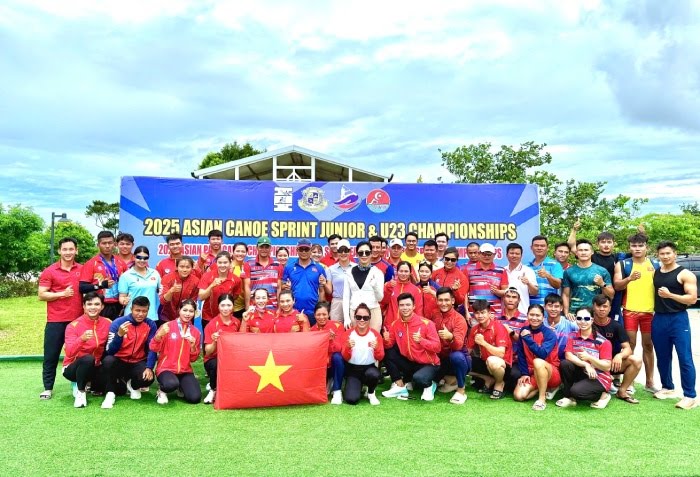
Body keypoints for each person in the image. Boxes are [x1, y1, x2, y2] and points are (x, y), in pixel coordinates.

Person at [652, 241, 698, 409]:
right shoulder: (656, 272)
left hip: (678, 319)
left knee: (684, 357)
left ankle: (690, 396)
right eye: (662, 254)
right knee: (662, 356)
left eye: (668, 253)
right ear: (658, 255)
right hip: (659, 318)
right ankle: (667, 387)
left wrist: (670, 295)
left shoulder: (685, 274)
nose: (665, 256)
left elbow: (692, 298)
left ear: (675, 254)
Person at [613, 232, 660, 392]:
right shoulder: (623, 264)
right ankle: (629, 382)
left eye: (641, 245)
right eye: (634, 245)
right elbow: (617, 285)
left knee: (648, 345)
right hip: (629, 311)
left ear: (647, 247)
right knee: (630, 345)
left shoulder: (656, 264)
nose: (637, 248)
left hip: (650, 312)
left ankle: (650, 382)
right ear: (629, 247)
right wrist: (629, 279)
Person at [38, 237, 83, 400]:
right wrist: (62, 294)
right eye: (65, 249)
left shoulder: (82, 269)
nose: (68, 252)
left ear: (76, 250)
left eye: (71, 249)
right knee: (51, 355)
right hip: (55, 320)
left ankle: (81, 385)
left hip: (77, 320)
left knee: (79, 354)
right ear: (59, 251)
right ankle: (48, 388)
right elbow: (41, 294)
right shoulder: (50, 271)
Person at [382, 293, 441, 401]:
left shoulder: (427, 323)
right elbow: (389, 345)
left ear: (414, 306)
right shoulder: (395, 324)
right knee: (388, 352)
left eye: (408, 305)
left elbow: (437, 347)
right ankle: (399, 386)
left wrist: (422, 341)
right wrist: (386, 340)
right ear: (398, 307)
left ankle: (430, 385)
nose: (405, 308)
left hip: (429, 364)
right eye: (402, 305)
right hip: (410, 363)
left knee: (420, 379)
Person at [101, 296, 157, 409]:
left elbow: (152, 348)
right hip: (119, 361)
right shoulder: (118, 323)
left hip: (137, 361)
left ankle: (132, 384)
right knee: (108, 361)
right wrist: (119, 335)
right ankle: (110, 393)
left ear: (148, 311)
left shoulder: (150, 324)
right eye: (137, 310)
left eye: (144, 311)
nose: (140, 314)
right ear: (131, 309)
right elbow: (109, 351)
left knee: (148, 379)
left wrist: (149, 367)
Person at [556, 307, 613, 409]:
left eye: (586, 319)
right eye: (579, 318)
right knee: (565, 364)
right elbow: (568, 355)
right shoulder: (572, 336)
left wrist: (590, 358)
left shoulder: (603, 341)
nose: (583, 322)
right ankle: (569, 397)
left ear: (592, 320)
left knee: (576, 391)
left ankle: (603, 395)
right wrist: (586, 364)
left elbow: (607, 367)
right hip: (583, 371)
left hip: (599, 377)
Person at [62, 292, 111, 408]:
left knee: (120, 389)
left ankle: (91, 384)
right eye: (89, 304)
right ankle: (80, 391)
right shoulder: (73, 326)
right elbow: (69, 352)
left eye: (97, 304)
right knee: (88, 359)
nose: (93, 307)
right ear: (83, 306)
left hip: (96, 367)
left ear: (102, 306)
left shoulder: (108, 323)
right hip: (72, 368)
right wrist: (81, 339)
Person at [591, 294, 642, 403]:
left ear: (610, 308)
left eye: (605, 306)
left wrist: (619, 355)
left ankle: (622, 391)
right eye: (598, 306)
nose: (601, 309)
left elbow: (628, 348)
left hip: (610, 364)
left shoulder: (616, 326)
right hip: (591, 364)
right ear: (593, 307)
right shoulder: (587, 323)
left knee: (636, 360)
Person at [150, 299, 202, 404]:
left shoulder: (196, 332)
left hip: (185, 371)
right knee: (170, 384)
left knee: (195, 398)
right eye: (185, 310)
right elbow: (153, 348)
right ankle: (162, 391)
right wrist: (158, 336)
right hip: (166, 369)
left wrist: (193, 347)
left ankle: (181, 386)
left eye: (191, 311)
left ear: (194, 313)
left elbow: (193, 359)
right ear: (179, 310)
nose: (187, 314)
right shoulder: (167, 327)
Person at [513, 304, 560, 411]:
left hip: (552, 372)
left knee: (538, 361)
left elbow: (542, 354)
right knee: (519, 396)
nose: (534, 318)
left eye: (538, 315)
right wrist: (524, 373)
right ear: (527, 315)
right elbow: (521, 353)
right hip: (533, 373)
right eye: (531, 315)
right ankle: (543, 388)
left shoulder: (549, 333)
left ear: (543, 317)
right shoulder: (524, 330)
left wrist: (528, 338)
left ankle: (542, 399)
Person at [341, 303, 385, 405]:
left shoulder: (375, 335)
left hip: (369, 368)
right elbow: (345, 357)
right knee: (351, 399)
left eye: (365, 318)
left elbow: (380, 357)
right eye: (359, 317)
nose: (362, 320)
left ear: (369, 319)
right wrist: (347, 347)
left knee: (374, 374)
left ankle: (371, 392)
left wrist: (377, 348)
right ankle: (359, 386)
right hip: (353, 370)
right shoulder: (348, 334)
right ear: (354, 317)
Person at [467, 300, 512, 399]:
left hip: (502, 365)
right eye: (477, 313)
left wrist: (483, 343)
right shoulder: (474, 329)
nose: (480, 316)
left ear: (489, 313)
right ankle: (488, 379)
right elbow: (467, 351)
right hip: (485, 363)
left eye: (483, 312)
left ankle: (500, 383)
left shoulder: (499, 327)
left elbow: (501, 353)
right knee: (460, 360)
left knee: (492, 361)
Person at [431, 287, 470, 404]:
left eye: (446, 300)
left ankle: (461, 390)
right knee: (423, 380)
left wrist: (451, 337)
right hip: (441, 359)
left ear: (453, 301)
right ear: (436, 301)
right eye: (440, 300)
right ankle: (449, 380)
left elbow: (458, 346)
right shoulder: (435, 316)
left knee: (456, 356)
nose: (443, 303)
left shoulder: (459, 319)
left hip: (460, 359)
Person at [79, 230, 128, 319]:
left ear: (114, 244)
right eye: (104, 243)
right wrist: (101, 285)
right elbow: (82, 287)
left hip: (119, 304)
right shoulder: (91, 263)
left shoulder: (121, 262)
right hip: (100, 305)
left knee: (118, 328)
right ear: (98, 245)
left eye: (110, 243)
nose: (107, 246)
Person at [203, 294, 241, 404]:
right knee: (216, 364)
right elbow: (208, 352)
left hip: (231, 358)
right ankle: (213, 389)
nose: (226, 308)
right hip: (213, 359)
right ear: (218, 307)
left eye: (229, 305)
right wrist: (214, 341)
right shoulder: (211, 324)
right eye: (223, 305)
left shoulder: (237, 322)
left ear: (233, 306)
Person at [280, 238, 328, 326]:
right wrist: (286, 287)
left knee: (313, 334)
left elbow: (322, 290)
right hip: (293, 310)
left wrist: (320, 309)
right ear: (297, 250)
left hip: (313, 311)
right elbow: (282, 287)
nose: (304, 252)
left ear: (310, 250)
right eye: (301, 249)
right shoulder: (289, 267)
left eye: (306, 249)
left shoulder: (319, 268)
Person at [562, 239, 614, 319]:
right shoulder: (569, 271)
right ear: (576, 253)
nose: (583, 253)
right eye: (580, 250)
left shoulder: (602, 271)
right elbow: (566, 295)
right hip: (574, 314)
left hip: (596, 314)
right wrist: (566, 313)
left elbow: (611, 295)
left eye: (586, 250)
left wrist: (602, 284)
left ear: (592, 252)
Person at [342, 241, 384, 331]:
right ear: (357, 254)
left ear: (371, 254)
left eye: (367, 252)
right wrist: (346, 318)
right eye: (361, 253)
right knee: (354, 339)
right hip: (355, 312)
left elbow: (380, 298)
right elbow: (346, 297)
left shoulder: (377, 272)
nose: (364, 255)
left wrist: (375, 287)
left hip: (373, 312)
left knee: (373, 339)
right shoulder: (349, 272)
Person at [198, 251, 242, 332]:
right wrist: (212, 286)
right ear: (216, 263)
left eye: (225, 262)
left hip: (227, 318)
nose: (222, 265)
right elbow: (201, 297)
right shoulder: (207, 276)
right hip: (208, 317)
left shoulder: (236, 280)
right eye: (220, 262)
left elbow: (234, 297)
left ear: (230, 263)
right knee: (209, 339)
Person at [310, 302, 344, 404]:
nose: (321, 317)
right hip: (321, 365)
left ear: (329, 314)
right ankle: (328, 381)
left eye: (324, 314)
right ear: (314, 315)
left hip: (334, 364)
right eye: (318, 314)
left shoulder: (337, 326)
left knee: (337, 357)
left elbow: (339, 348)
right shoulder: (312, 331)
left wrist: (331, 341)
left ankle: (337, 391)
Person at [118, 245, 161, 322]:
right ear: (134, 257)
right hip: (132, 316)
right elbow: (122, 297)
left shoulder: (155, 273)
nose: (142, 260)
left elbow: (161, 291)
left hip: (151, 316)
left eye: (145, 258)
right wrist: (123, 300)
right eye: (139, 257)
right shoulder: (126, 276)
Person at [464, 243, 508, 315]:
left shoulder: (501, 270)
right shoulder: (468, 269)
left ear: (494, 255)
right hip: (475, 313)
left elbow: (506, 293)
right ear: (479, 254)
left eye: (489, 254)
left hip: (495, 314)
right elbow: (465, 292)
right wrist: (466, 311)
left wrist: (497, 292)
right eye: (484, 254)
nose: (486, 256)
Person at [497, 287, 528, 387]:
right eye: (508, 296)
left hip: (516, 360)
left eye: (514, 297)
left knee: (514, 375)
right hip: (499, 357)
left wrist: (511, 332)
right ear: (503, 298)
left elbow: (526, 343)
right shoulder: (496, 318)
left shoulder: (525, 319)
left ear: (519, 300)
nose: (510, 300)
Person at [381, 261, 423, 328]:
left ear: (410, 272)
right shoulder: (389, 285)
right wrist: (388, 289)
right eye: (401, 271)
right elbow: (383, 304)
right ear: (397, 272)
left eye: (406, 271)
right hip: (390, 325)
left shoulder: (416, 290)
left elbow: (418, 312)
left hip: (408, 327)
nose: (403, 274)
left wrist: (416, 327)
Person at [159, 257, 199, 325]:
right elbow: (163, 301)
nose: (184, 270)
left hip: (185, 317)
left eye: (188, 267)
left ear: (192, 268)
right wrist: (171, 291)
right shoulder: (167, 278)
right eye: (182, 267)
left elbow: (193, 302)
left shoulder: (195, 281)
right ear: (176, 267)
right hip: (166, 316)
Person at [528, 235, 563, 306]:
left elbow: (558, 285)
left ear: (547, 248)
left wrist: (548, 276)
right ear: (531, 248)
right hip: (530, 307)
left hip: (549, 307)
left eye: (542, 246)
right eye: (536, 245)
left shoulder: (555, 264)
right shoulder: (526, 267)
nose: (539, 248)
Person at [248, 236, 281, 309]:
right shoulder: (249, 263)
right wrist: (247, 307)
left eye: (266, 247)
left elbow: (279, 288)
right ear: (257, 248)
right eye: (261, 247)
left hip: (273, 307)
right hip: (254, 307)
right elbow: (247, 287)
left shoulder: (278, 264)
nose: (264, 249)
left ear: (270, 248)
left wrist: (279, 308)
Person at [505, 243, 538, 315]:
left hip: (523, 313)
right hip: (505, 315)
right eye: (512, 253)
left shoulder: (528, 271)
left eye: (517, 254)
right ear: (507, 255)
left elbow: (535, 292)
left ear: (521, 256)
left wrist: (528, 283)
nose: (514, 255)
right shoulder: (503, 271)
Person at [328, 239, 356, 323]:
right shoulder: (331, 269)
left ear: (350, 251)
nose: (343, 253)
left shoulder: (356, 268)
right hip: (337, 301)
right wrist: (323, 283)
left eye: (346, 250)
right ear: (337, 252)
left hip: (353, 301)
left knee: (353, 326)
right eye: (340, 250)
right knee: (335, 327)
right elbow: (329, 290)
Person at [544, 293, 578, 362]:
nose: (553, 309)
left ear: (561, 308)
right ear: (544, 307)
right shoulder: (541, 324)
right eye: (550, 306)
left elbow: (583, 330)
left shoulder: (569, 322)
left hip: (565, 359)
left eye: (556, 306)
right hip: (547, 359)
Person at [230, 242, 252, 318]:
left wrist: (247, 307)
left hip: (241, 306)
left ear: (246, 253)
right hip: (228, 305)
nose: (240, 254)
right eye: (237, 251)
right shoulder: (228, 265)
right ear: (233, 252)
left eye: (243, 251)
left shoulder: (246, 266)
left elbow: (247, 287)